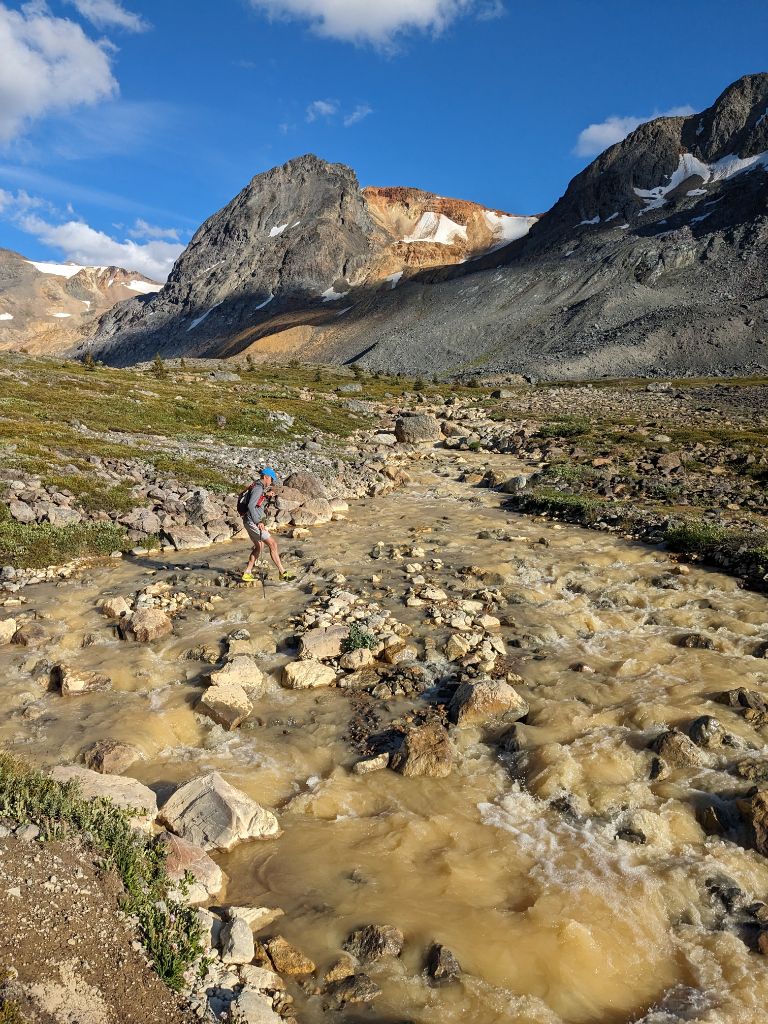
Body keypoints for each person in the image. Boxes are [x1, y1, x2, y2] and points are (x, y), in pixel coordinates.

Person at [241, 468, 295, 582]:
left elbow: (255, 500)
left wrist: (265, 495)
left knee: (259, 547)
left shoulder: (257, 486)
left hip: (248, 520)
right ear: (266, 477)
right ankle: (282, 573)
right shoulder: (258, 488)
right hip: (253, 521)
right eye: (271, 479)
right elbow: (251, 506)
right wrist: (258, 522)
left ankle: (247, 573)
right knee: (273, 544)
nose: (271, 482)